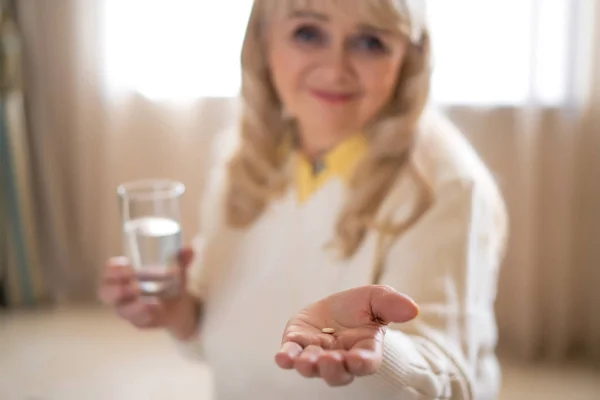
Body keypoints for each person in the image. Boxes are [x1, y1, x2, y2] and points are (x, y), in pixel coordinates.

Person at [98, 0, 509, 399]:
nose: (336, 69)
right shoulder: (242, 159)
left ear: (409, 58)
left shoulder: (449, 187)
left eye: (370, 42)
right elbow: (219, 346)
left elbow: (455, 384)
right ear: (263, 41)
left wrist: (379, 357)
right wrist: (181, 313)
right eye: (308, 33)